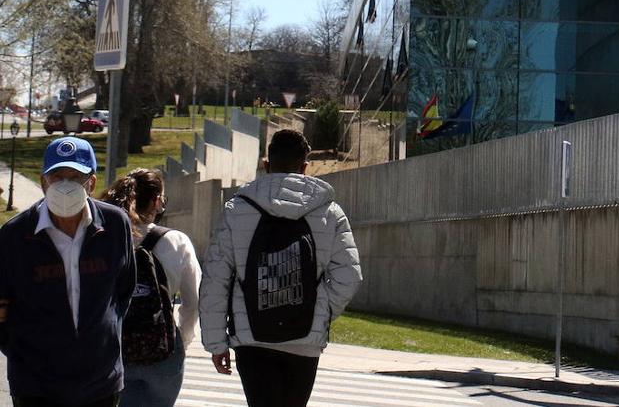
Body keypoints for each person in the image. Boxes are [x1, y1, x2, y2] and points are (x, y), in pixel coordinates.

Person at [199, 129, 362, 407]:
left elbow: (216, 279)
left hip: (251, 338)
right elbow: (349, 276)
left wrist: (216, 342)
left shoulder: (236, 210)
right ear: (304, 167)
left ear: (266, 164)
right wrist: (317, 312)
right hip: (304, 339)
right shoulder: (330, 212)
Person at [0, 136, 136, 407]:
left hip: (101, 382)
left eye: (74, 177)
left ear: (91, 183)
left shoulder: (114, 225)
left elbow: (123, 290)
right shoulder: (14, 236)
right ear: (43, 182)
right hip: (36, 386)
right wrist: (27, 355)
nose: (64, 185)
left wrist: (103, 338)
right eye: (56, 176)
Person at [103, 169, 202, 407]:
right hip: (162, 350)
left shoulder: (105, 236)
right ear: (157, 201)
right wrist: (181, 341)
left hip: (113, 349)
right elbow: (194, 302)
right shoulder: (176, 241)